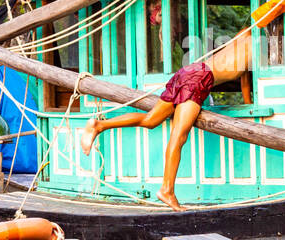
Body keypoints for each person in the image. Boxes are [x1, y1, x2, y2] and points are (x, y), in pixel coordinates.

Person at [80, 29, 253, 210]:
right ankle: (167, 190)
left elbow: (244, 79)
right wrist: (249, 105)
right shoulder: (255, 44)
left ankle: (99, 125)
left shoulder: (244, 36)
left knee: (151, 120)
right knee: (178, 137)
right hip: (200, 79)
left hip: (189, 71)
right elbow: (245, 83)